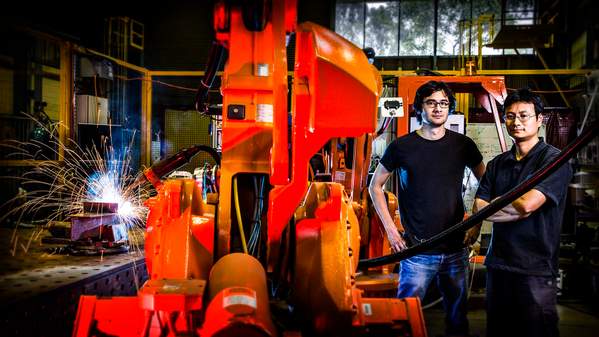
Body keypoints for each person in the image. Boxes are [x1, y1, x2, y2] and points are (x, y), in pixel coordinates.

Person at [369, 80, 485, 337]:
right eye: (431, 102)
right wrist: (391, 230)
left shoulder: (463, 145)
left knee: (458, 322)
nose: (438, 108)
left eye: (443, 103)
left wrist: (476, 224)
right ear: (419, 108)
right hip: (417, 251)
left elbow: (486, 185)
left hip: (456, 250)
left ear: (450, 108)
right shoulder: (402, 146)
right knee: (404, 321)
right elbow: (374, 186)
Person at [473, 88, 572, 337]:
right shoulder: (497, 164)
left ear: (539, 119)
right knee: (499, 330)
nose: (516, 122)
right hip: (499, 264)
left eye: (524, 115)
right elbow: (479, 208)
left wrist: (499, 203)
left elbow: (529, 205)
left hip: (535, 268)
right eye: (510, 116)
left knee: (538, 331)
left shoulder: (554, 160)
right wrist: (515, 206)